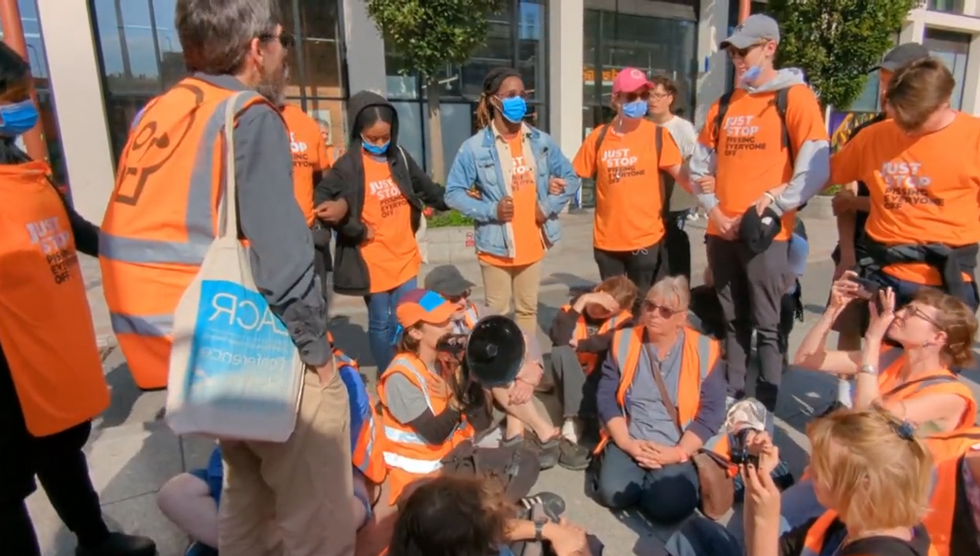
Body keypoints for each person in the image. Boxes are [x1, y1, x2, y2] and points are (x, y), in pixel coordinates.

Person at [99, 2, 355, 555]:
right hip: (246, 340)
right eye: (282, 41)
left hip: (190, 343)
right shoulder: (247, 113)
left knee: (246, 496)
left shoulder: (161, 110)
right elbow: (285, 259)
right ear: (255, 48)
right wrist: (317, 355)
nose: (287, 54)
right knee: (321, 516)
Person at [0, 43, 156, 556]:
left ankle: (95, 539)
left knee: (63, 455)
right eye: (15, 96)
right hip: (9, 371)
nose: (28, 107)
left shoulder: (21, 167)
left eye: (28, 94)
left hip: (51, 353)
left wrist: (143, 248)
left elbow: (77, 230)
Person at [689, 14, 830, 411]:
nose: (737, 58)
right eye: (732, 51)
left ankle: (764, 403)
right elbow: (699, 166)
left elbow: (817, 164)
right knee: (732, 320)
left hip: (766, 236)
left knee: (768, 327)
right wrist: (714, 211)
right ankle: (735, 395)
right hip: (721, 231)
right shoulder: (724, 104)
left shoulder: (794, 98)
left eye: (744, 50)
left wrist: (777, 201)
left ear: (770, 48)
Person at [157, 337, 384, 556]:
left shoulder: (342, 381)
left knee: (349, 511)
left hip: (315, 490)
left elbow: (350, 472)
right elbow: (230, 467)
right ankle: (242, 545)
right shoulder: (251, 372)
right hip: (255, 491)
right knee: (175, 494)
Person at [784, 278, 978, 529]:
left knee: (775, 525)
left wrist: (873, 340)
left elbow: (869, 422)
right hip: (841, 478)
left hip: (878, 501)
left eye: (913, 312)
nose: (898, 313)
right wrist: (833, 310)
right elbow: (807, 359)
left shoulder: (950, 396)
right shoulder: (891, 357)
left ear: (938, 337)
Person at [663, 407, 937, 556]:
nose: (809, 468)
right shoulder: (845, 521)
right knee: (696, 534)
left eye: (821, 466)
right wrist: (757, 482)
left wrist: (767, 519)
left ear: (863, 484)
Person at [828, 56, 980, 314]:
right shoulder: (874, 136)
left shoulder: (973, 138)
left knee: (937, 356)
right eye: (900, 118)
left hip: (948, 283)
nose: (906, 129)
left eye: (915, 121)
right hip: (886, 277)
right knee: (881, 354)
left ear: (945, 102)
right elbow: (823, 175)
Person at [317, 91, 448, 373]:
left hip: (405, 255)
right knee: (380, 321)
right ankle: (389, 373)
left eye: (385, 137)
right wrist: (356, 228)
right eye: (372, 138)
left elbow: (425, 186)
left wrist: (454, 199)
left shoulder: (399, 156)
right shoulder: (347, 166)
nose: (379, 143)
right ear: (358, 131)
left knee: (408, 319)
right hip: (373, 260)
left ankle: (407, 370)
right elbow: (323, 205)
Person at [444, 67, 580, 335]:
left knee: (528, 310)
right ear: (494, 99)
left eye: (523, 94)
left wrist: (547, 206)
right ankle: (500, 370)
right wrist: (490, 210)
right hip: (496, 247)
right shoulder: (474, 147)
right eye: (511, 94)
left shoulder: (540, 141)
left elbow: (571, 177)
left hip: (532, 244)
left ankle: (525, 366)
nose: (519, 100)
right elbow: (453, 193)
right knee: (497, 312)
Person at [593, 276, 728, 524]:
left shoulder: (704, 349)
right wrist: (626, 443)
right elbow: (606, 395)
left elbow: (713, 410)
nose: (654, 314)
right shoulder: (623, 340)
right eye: (649, 306)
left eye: (665, 311)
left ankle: (667, 480)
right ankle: (641, 475)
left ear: (682, 317)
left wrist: (676, 453)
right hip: (632, 437)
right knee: (612, 494)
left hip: (677, 442)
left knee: (669, 508)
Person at [830, 43, 931, 352]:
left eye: (893, 81)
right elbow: (843, 197)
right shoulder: (866, 133)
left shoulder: (937, 135)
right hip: (861, 250)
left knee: (901, 336)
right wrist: (846, 252)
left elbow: (923, 203)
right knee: (848, 323)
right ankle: (845, 396)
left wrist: (862, 202)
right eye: (883, 81)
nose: (885, 90)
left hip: (918, 260)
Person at [423, 265, 573, 470]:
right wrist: (520, 371)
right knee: (496, 371)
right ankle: (543, 433)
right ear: (434, 300)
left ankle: (516, 434)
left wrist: (531, 371)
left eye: (465, 294)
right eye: (453, 298)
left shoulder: (475, 312)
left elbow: (521, 336)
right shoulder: (428, 328)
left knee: (512, 345)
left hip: (487, 385)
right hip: (459, 396)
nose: (463, 301)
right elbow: (465, 366)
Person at [573, 68, 692, 297]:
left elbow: (685, 178)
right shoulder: (598, 137)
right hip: (607, 241)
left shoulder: (658, 136)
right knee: (613, 306)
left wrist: (715, 195)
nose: (638, 101)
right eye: (630, 96)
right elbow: (572, 176)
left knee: (643, 305)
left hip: (645, 239)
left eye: (643, 96)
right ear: (615, 99)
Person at [377, 289, 487, 506]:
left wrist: (472, 376)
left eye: (448, 317)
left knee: (522, 462)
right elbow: (435, 433)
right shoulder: (401, 377)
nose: (448, 325)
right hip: (422, 483)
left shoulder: (443, 360)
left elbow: (482, 421)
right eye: (439, 321)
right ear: (416, 333)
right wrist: (458, 394)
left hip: (455, 460)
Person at [548, 275, 638, 467]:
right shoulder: (571, 309)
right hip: (572, 378)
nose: (600, 312)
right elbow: (559, 337)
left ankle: (592, 419)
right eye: (599, 305)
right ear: (597, 292)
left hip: (597, 381)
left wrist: (582, 344)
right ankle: (574, 418)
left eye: (608, 312)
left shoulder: (624, 322)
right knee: (559, 350)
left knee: (614, 352)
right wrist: (582, 301)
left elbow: (611, 340)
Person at [389, 475, 598, 556]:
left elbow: (496, 528)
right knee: (591, 544)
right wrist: (580, 551)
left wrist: (549, 531)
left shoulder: (416, 541)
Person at [279, 91, 341, 306]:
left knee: (315, 302)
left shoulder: (304, 122)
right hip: (262, 241)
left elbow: (323, 178)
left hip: (306, 234)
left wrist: (336, 207)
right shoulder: (240, 117)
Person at [648, 74, 699, 281]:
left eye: (658, 95)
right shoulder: (642, 126)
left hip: (674, 202)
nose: (653, 100)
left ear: (670, 98)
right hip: (648, 201)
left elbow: (694, 162)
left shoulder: (682, 128)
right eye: (650, 95)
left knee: (672, 251)